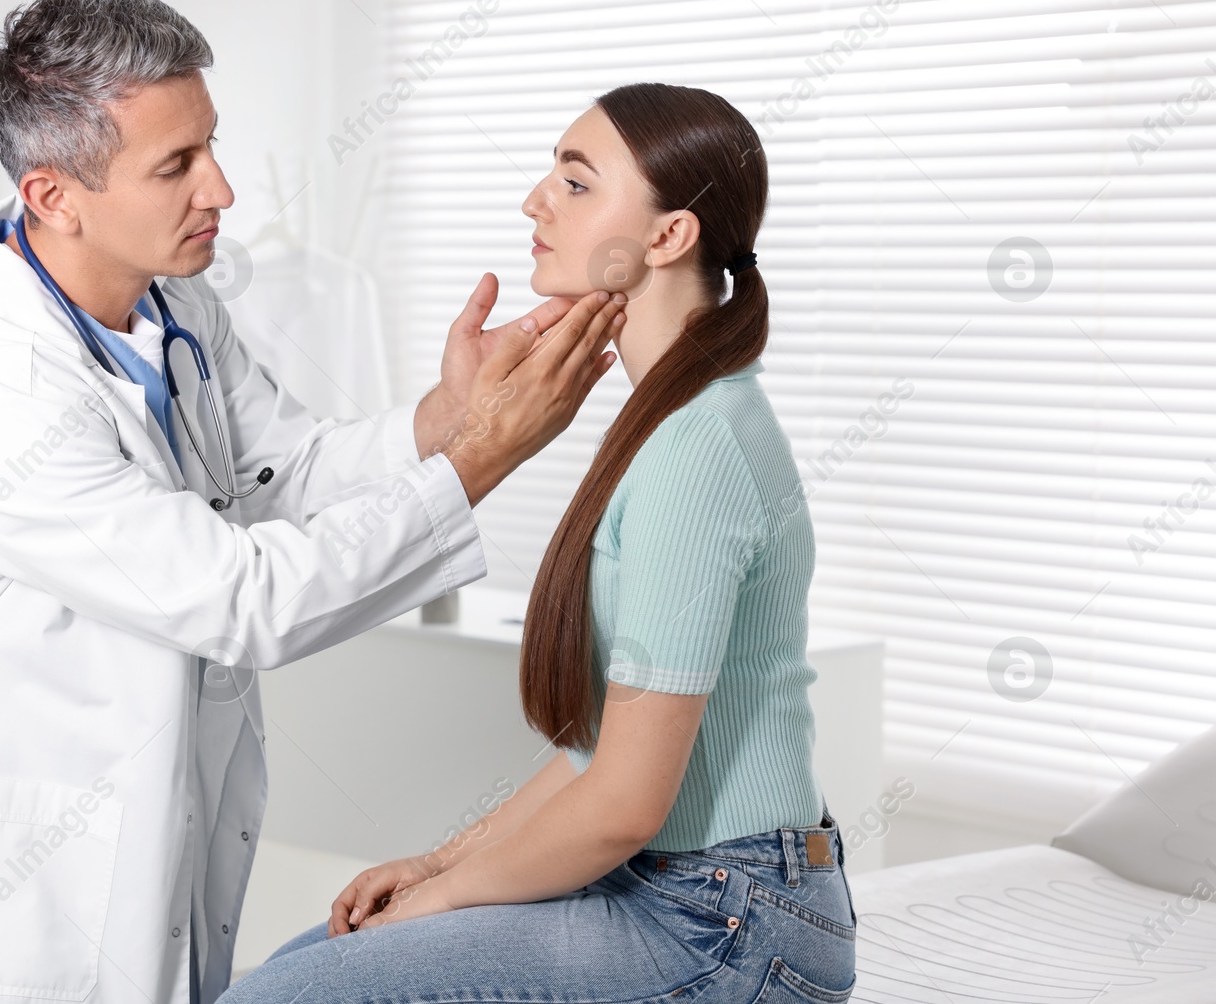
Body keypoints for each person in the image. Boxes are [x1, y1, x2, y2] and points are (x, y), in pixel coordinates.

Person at [0, 0, 626, 1004]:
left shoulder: (171, 301)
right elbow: (242, 596)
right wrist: (479, 458)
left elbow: (279, 473)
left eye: (209, 144)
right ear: (52, 197)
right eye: (176, 165)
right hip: (15, 846)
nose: (221, 189)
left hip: (149, 801)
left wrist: (443, 418)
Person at [217, 83, 857, 1004]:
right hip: (687, 892)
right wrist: (437, 865)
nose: (535, 201)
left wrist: (441, 899)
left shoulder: (699, 444)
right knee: (295, 967)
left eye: (576, 181)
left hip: (727, 922)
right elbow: (601, 754)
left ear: (669, 236)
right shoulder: (670, 418)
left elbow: (624, 805)